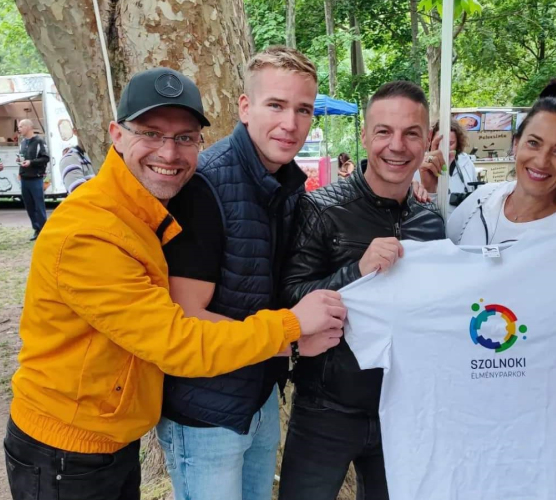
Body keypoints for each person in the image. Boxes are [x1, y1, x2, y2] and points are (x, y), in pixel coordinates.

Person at [3, 67, 345, 500]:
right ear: (116, 135)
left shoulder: (146, 212)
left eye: (185, 137)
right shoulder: (89, 233)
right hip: (64, 452)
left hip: (114, 437)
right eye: (150, 133)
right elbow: (177, 342)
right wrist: (291, 330)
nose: (169, 151)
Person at [156, 47, 340, 500]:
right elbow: (186, 318)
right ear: (244, 107)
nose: (290, 123)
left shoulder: (286, 184)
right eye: (275, 105)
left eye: (303, 110)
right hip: (206, 412)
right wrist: (290, 342)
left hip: (259, 396)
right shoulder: (206, 186)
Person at [278, 81, 446, 499]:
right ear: (366, 136)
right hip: (325, 409)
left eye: (411, 133)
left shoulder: (431, 223)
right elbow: (291, 296)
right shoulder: (320, 208)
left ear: (427, 141)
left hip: (403, 411)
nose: (397, 146)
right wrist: (357, 270)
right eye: (384, 131)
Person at [447, 80, 556, 246]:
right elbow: (442, 251)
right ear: (516, 144)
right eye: (533, 143)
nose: (541, 161)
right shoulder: (481, 200)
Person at [417, 118, 478, 218]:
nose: (444, 148)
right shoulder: (421, 166)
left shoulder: (466, 163)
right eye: (440, 143)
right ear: (431, 141)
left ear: (458, 144)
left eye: (450, 144)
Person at [17, 118, 49, 240]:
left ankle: (44, 229)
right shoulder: (22, 142)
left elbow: (45, 158)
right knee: (29, 205)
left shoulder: (39, 141)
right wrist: (20, 163)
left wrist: (31, 162)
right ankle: (36, 229)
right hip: (24, 178)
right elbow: (23, 157)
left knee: (38, 205)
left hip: (36, 178)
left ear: (28, 127)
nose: (19, 129)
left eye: (21, 126)